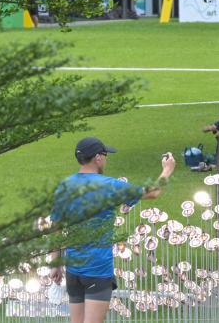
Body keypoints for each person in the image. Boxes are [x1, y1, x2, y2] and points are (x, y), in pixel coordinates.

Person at [49, 137, 175, 323]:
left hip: (73, 271)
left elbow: (56, 228)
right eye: (105, 155)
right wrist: (167, 170)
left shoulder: (64, 186)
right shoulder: (109, 185)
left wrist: (55, 263)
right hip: (97, 270)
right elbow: (153, 192)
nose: (106, 160)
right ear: (98, 158)